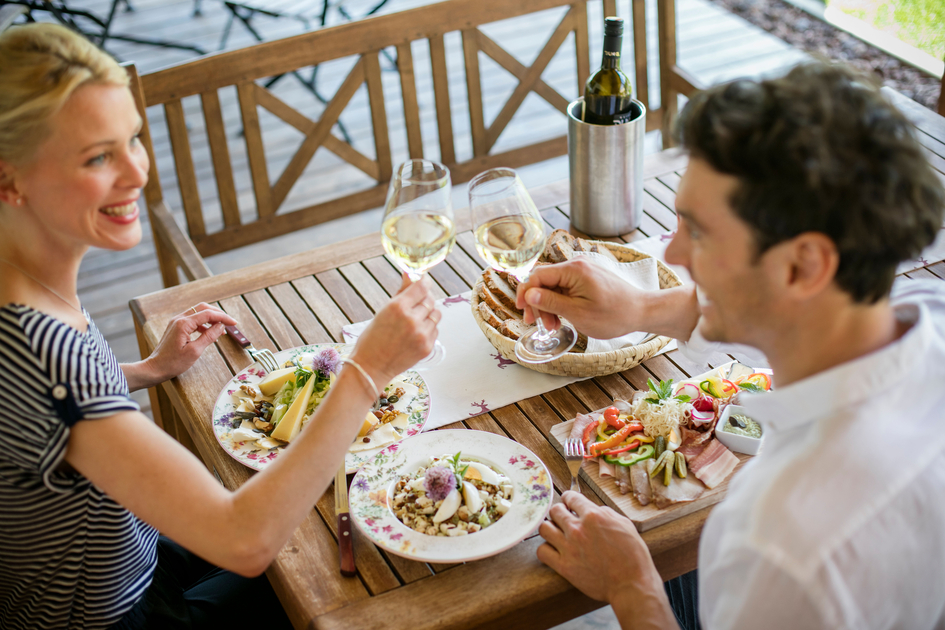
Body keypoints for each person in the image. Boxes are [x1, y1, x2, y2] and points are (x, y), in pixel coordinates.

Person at [0, 23, 441, 630]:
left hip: (140, 554)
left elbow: (47, 413)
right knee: (390, 589)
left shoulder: (24, 287)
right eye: (98, 156)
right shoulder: (45, 355)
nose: (137, 173)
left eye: (132, 138)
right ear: (10, 179)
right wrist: (367, 369)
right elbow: (244, 540)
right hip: (113, 616)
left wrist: (145, 371)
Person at [517, 62, 945, 629]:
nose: (670, 255)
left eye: (698, 231)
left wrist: (632, 585)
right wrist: (639, 309)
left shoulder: (779, 542)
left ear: (804, 264)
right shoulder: (929, 314)